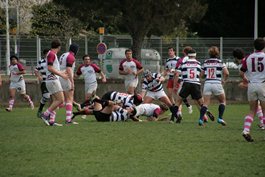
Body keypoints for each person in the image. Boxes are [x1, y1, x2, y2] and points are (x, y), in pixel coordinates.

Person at [240, 38, 265, 142]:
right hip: (263, 85)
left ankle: (246, 131)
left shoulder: (248, 57)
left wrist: (247, 80)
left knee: (252, 110)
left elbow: (241, 73)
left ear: (254, 46)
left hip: (251, 86)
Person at [175, 49, 208, 125]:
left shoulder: (184, 63)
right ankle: (203, 116)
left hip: (186, 83)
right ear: (195, 55)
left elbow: (177, 73)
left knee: (178, 101)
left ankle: (176, 116)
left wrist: (176, 83)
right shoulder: (199, 64)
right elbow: (202, 75)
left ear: (188, 55)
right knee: (200, 102)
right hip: (196, 84)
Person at [40, 39, 68, 126]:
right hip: (52, 80)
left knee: (56, 101)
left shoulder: (50, 54)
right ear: (59, 47)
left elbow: (53, 68)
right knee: (61, 100)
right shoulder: (52, 54)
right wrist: (62, 75)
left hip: (51, 80)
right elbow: (50, 68)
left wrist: (61, 72)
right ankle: (45, 115)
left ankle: (51, 120)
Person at [201, 46, 229, 126]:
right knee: (222, 101)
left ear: (209, 53)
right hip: (217, 83)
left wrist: (205, 76)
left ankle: (201, 119)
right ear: (217, 53)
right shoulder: (220, 62)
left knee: (205, 103)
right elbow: (226, 73)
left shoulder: (205, 62)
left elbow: (201, 75)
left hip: (207, 84)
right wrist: (224, 80)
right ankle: (220, 118)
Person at [59, 43, 79, 124]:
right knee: (69, 99)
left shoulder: (63, 54)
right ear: (75, 50)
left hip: (60, 77)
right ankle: (68, 119)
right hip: (66, 78)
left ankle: (51, 115)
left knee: (59, 100)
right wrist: (72, 81)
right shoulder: (71, 56)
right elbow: (69, 69)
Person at [34, 48, 50, 118]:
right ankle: (40, 110)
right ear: (45, 54)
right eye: (47, 53)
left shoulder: (53, 61)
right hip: (44, 82)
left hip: (53, 82)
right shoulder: (41, 62)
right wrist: (38, 76)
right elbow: (36, 70)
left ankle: (50, 114)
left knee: (56, 99)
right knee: (46, 96)